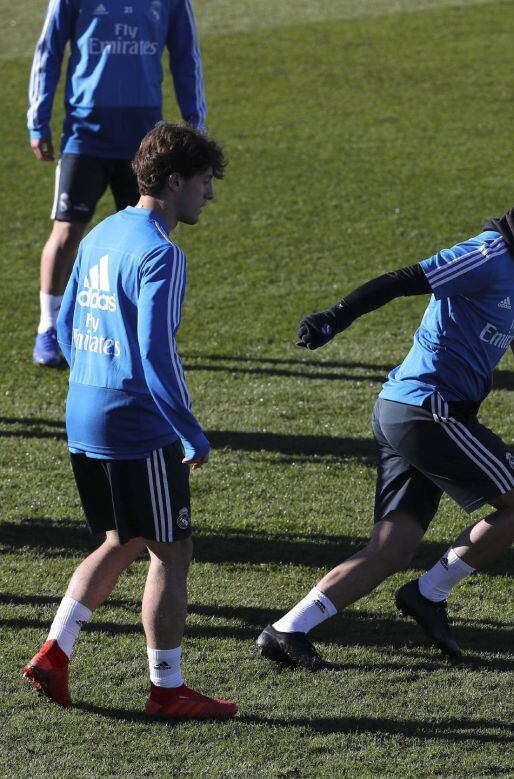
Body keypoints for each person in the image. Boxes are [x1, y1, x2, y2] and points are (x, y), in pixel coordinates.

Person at [257, 151, 514, 668]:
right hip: (426, 410)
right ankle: (429, 595)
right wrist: (334, 318)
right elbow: (403, 278)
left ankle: (287, 629)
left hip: (413, 412)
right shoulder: (488, 255)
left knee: (392, 548)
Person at [22, 122, 234, 720]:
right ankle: (167, 689)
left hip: (84, 414)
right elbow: (156, 355)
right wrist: (189, 429)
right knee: (172, 551)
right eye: (202, 183)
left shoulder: (103, 233)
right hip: (138, 426)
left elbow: (63, 327)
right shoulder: (161, 254)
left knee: (121, 537)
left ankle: (55, 652)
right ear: (174, 181)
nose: (208, 196)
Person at [28, 0, 206, 368]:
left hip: (145, 141)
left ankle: (146, 334)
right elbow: (50, 49)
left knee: (150, 238)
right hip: (85, 134)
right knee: (66, 231)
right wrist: (38, 119)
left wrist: (194, 124)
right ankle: (48, 326)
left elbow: (186, 55)